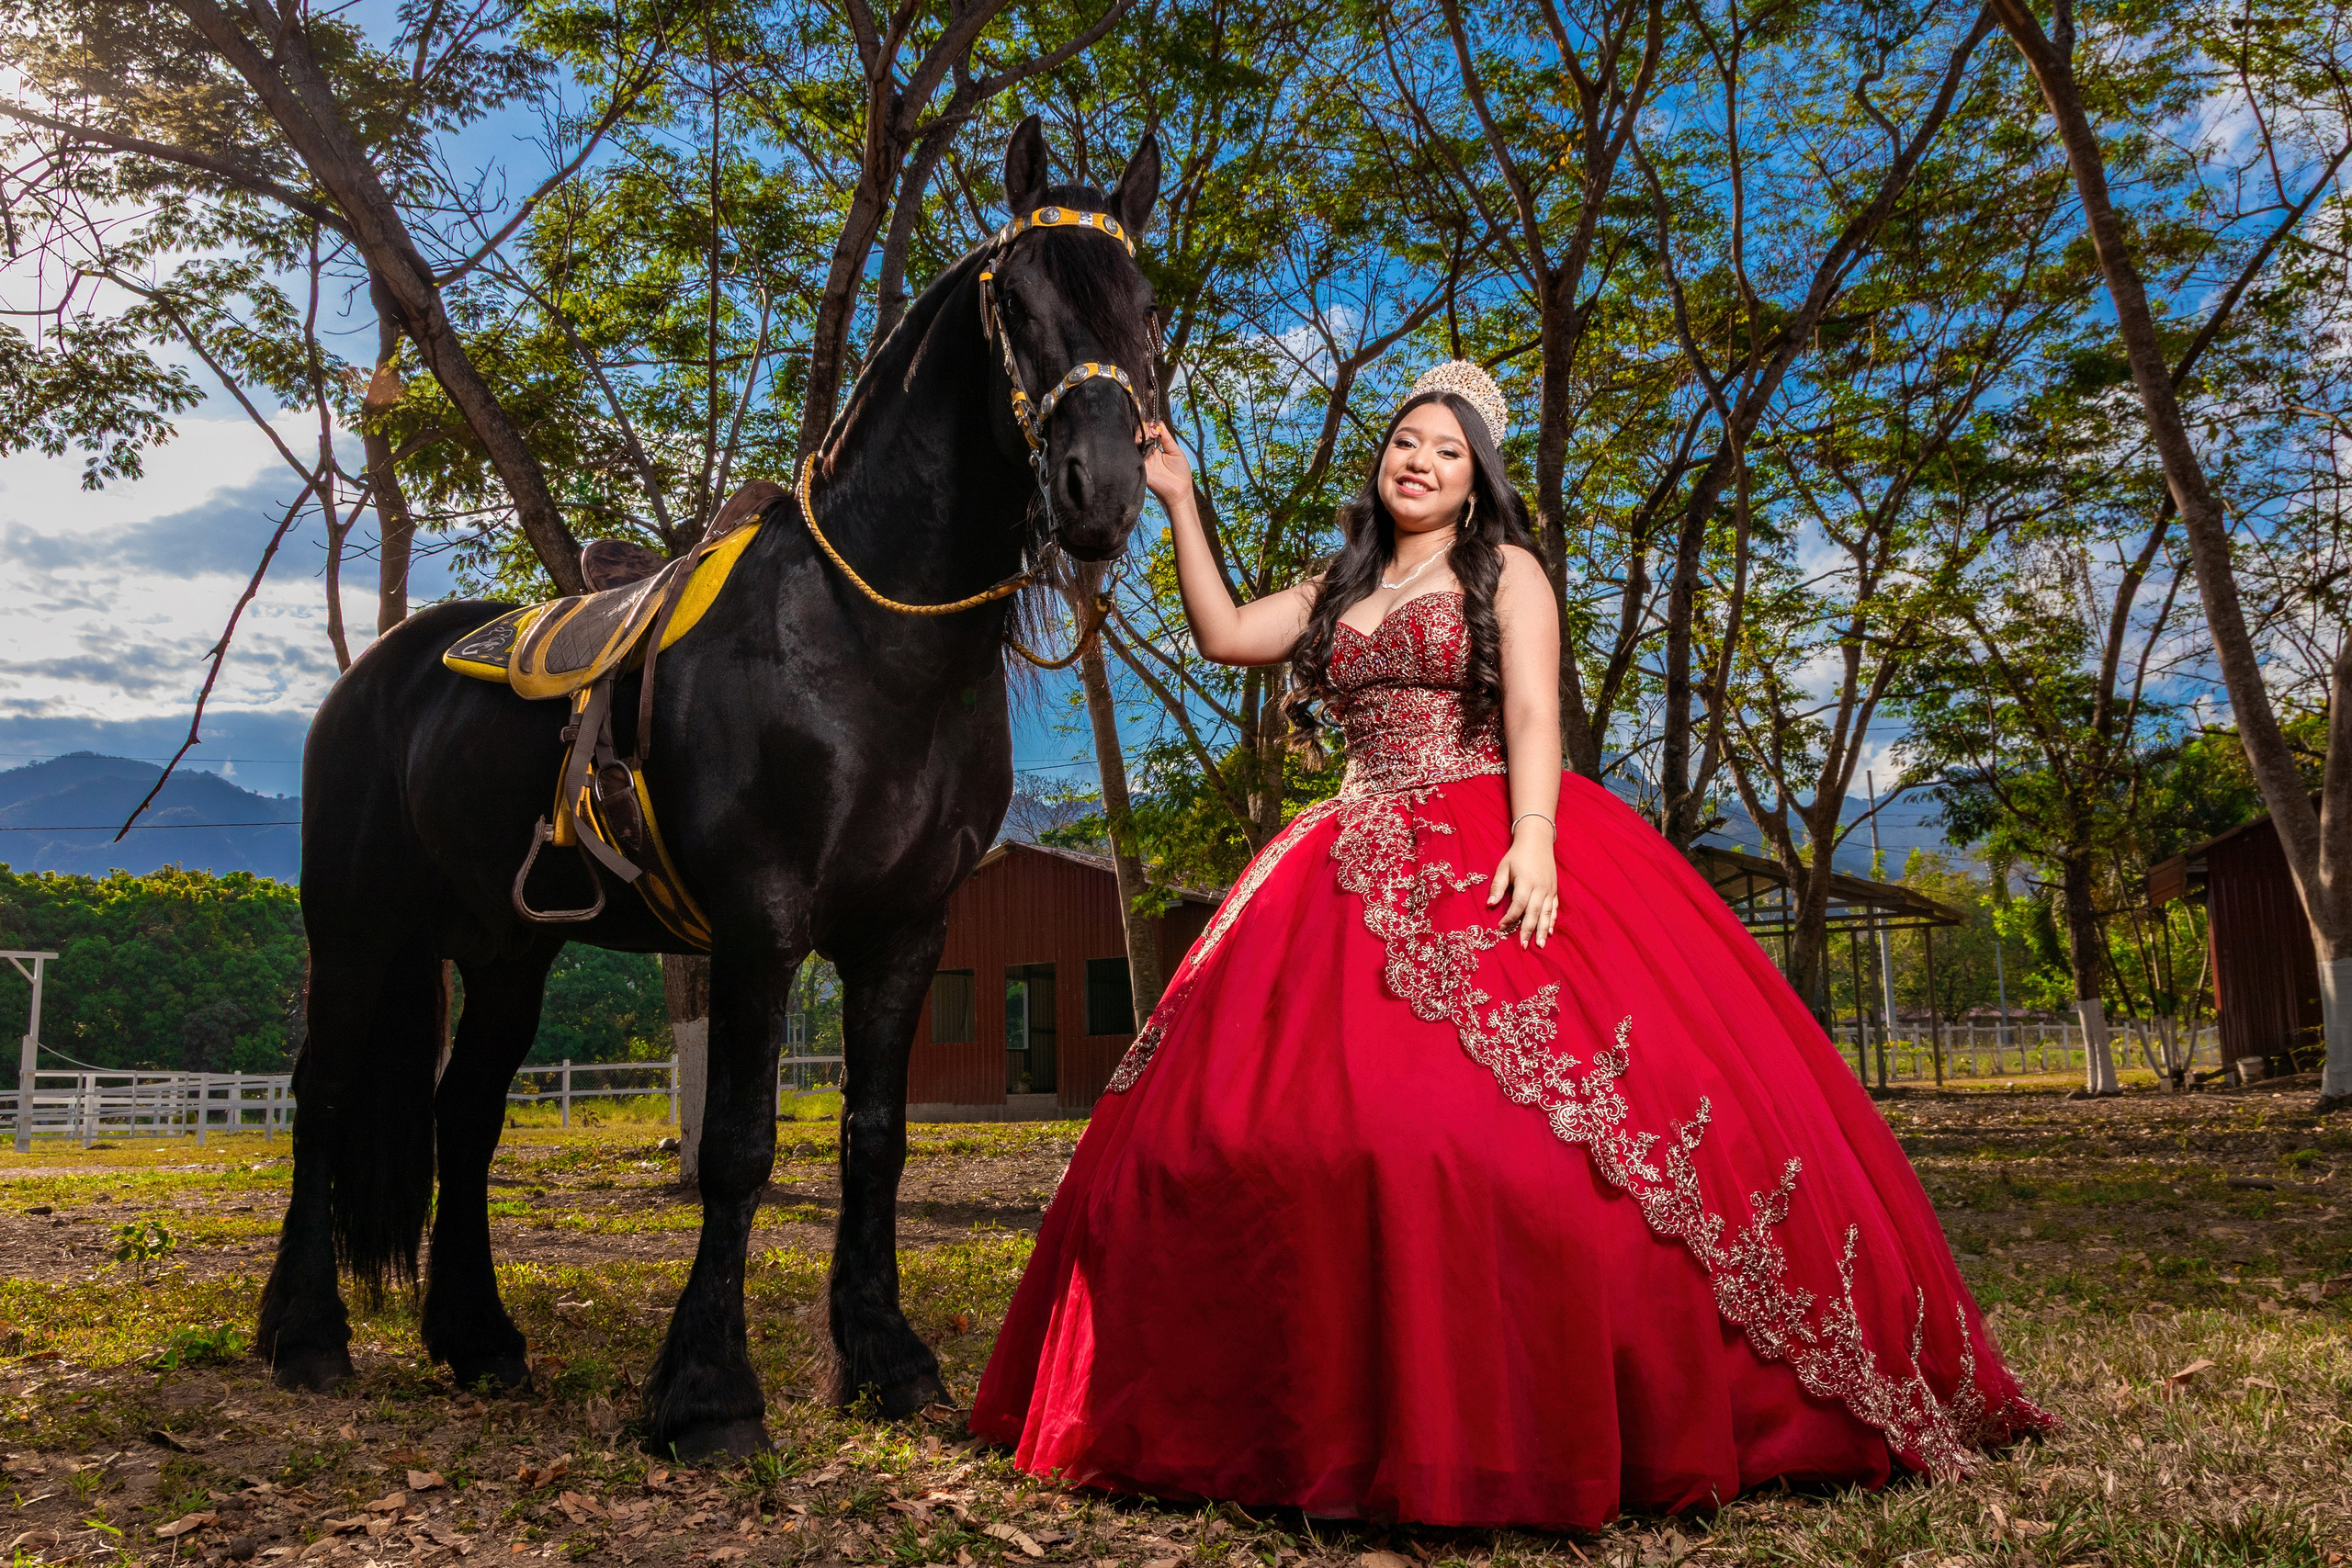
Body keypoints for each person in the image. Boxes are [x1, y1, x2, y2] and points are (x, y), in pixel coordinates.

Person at [970, 363, 2051, 1529]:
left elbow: (1536, 713)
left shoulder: (1506, 572)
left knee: (1514, 1138)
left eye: (1444, 448)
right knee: (1239, 1125)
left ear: (1475, 476)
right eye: (1402, 443)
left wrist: (1533, 839)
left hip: (1489, 823)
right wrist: (1181, 503)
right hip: (1338, 855)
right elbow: (1229, 634)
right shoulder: (1337, 579)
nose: (1416, 460)